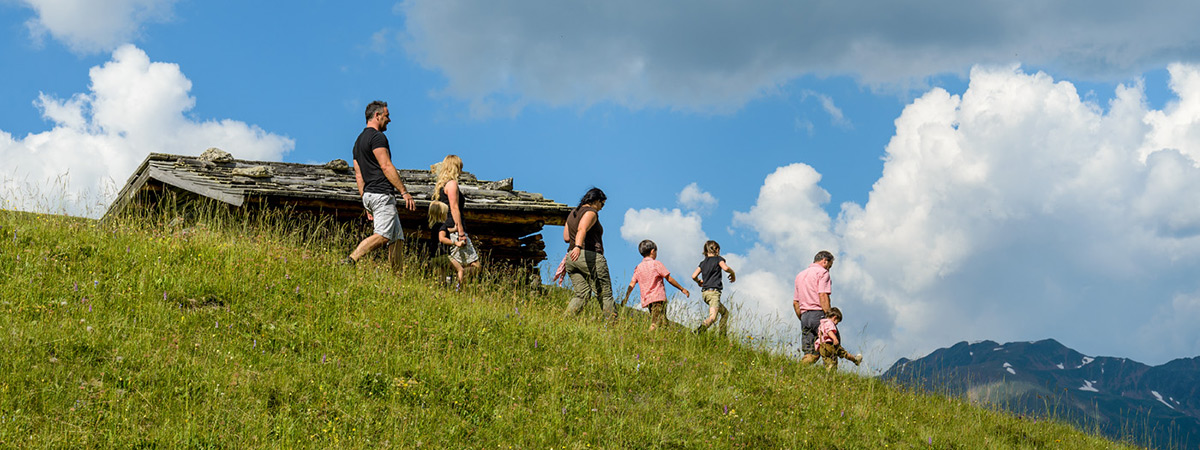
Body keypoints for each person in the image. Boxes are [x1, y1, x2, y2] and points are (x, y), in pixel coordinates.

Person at [344, 100, 417, 270]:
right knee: (383, 235)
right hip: (382, 194)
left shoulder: (357, 143)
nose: (389, 120)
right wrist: (404, 192)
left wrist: (365, 202)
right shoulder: (377, 137)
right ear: (377, 115)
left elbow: (359, 175)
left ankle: (397, 278)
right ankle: (351, 260)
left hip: (370, 194)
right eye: (387, 116)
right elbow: (386, 166)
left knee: (396, 238)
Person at [562, 188, 617, 319]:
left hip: (571, 259)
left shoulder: (573, 213)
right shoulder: (591, 212)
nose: (602, 208)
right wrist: (578, 246)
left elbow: (566, 237)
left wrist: (574, 248)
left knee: (582, 294)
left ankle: (565, 320)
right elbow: (582, 229)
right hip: (588, 255)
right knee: (604, 293)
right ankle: (611, 324)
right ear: (596, 200)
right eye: (602, 204)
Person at [430, 155, 479, 286]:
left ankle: (448, 282)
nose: (461, 171)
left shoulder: (441, 186)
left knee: (449, 263)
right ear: (455, 167)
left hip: (448, 227)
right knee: (475, 266)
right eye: (460, 167)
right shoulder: (452, 184)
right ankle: (455, 283)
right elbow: (454, 207)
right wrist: (461, 232)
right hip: (455, 228)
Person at [622, 240, 690, 332]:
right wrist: (682, 289)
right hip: (658, 298)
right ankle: (646, 336)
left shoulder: (638, 268)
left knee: (663, 322)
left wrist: (626, 297)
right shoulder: (656, 264)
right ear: (652, 251)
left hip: (648, 300)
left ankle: (661, 340)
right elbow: (669, 278)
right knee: (655, 323)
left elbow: (632, 283)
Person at [794, 250, 835, 364]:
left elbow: (795, 302)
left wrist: (802, 317)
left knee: (810, 352)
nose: (828, 269)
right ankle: (831, 378)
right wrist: (828, 316)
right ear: (825, 261)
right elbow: (822, 294)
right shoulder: (823, 273)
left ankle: (799, 372)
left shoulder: (800, 275)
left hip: (804, 316)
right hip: (819, 313)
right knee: (830, 346)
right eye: (829, 266)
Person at [427, 201, 478, 289]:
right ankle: (459, 288)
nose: (447, 215)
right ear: (442, 214)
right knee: (460, 269)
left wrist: (454, 229)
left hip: (434, 257)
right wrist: (455, 243)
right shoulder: (442, 226)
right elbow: (442, 238)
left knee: (442, 273)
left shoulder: (435, 226)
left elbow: (446, 231)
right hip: (443, 256)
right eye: (446, 213)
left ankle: (440, 289)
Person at [691, 240, 734, 335]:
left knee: (725, 313)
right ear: (717, 250)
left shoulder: (702, 263)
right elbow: (726, 268)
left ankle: (722, 336)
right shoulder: (719, 259)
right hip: (714, 293)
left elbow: (694, 276)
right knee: (713, 318)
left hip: (705, 294)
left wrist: (699, 281)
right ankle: (696, 333)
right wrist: (733, 273)